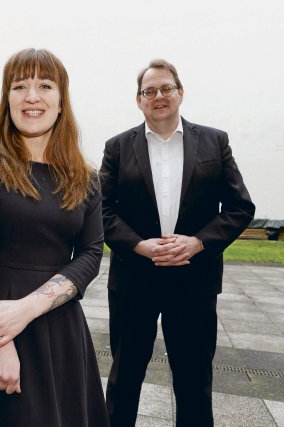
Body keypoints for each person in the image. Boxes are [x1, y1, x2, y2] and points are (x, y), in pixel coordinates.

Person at [0, 48, 108, 427]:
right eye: (20, 86)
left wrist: (27, 309)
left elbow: (91, 255)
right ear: (7, 99)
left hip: (59, 330)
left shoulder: (87, 177)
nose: (32, 96)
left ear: (61, 101)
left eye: (45, 85)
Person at [99, 59, 255, 426]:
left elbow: (240, 207)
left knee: (194, 381)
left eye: (166, 88)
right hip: (133, 281)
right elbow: (101, 211)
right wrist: (139, 245)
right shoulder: (118, 147)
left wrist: (198, 243)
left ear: (180, 93)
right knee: (124, 379)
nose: (158, 96)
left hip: (194, 280)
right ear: (138, 101)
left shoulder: (215, 142)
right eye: (148, 91)